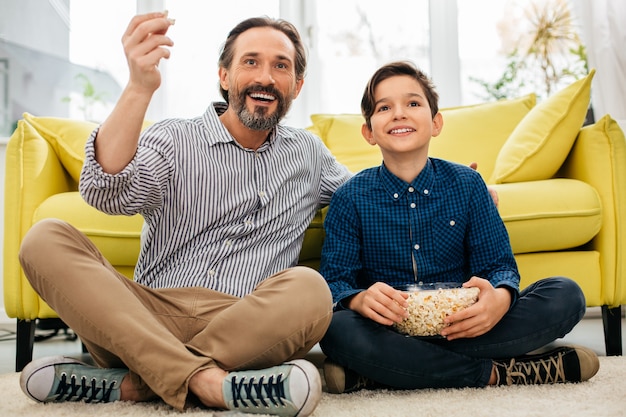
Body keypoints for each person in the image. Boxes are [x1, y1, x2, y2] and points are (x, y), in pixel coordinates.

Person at [18, 12, 352, 417]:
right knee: (43, 239)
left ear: (296, 86)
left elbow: (367, 200)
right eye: (250, 61)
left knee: (311, 290)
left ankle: (137, 383)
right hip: (144, 317)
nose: (265, 76)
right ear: (224, 76)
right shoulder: (174, 137)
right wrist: (140, 87)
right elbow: (106, 191)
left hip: (246, 324)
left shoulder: (310, 155)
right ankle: (209, 383)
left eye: (280, 66)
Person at [318, 61, 600, 394]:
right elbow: (335, 282)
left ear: (436, 122)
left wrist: (499, 300)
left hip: (466, 324)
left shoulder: (467, 184)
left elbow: (498, 266)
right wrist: (359, 299)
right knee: (335, 330)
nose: (399, 114)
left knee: (565, 295)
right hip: (389, 329)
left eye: (412, 103)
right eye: (384, 107)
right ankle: (502, 373)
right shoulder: (349, 197)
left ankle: (385, 371)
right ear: (368, 132)